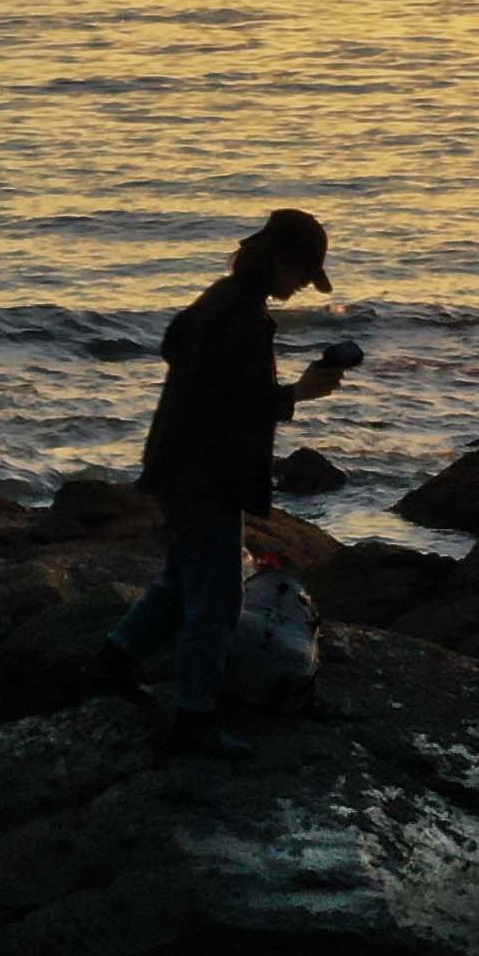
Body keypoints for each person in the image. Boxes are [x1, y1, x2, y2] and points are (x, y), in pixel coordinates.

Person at [104, 207, 353, 749]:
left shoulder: (220, 298)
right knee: (217, 603)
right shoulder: (243, 317)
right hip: (207, 475)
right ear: (283, 264)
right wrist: (297, 394)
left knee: (180, 581)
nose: (301, 288)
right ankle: (195, 718)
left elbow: (174, 346)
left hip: (177, 463)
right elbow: (235, 406)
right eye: (302, 276)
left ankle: (112, 661)